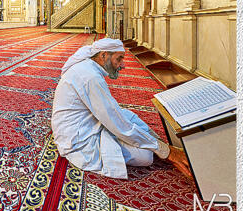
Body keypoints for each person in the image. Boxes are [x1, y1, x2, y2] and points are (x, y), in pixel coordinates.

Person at [51, 38, 171, 179]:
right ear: (104, 55)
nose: (123, 65)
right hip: (79, 139)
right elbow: (117, 124)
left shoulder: (88, 68)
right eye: (119, 59)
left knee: (128, 115)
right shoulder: (90, 77)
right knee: (145, 156)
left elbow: (113, 115)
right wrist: (163, 151)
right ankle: (154, 145)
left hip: (83, 124)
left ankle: (153, 141)